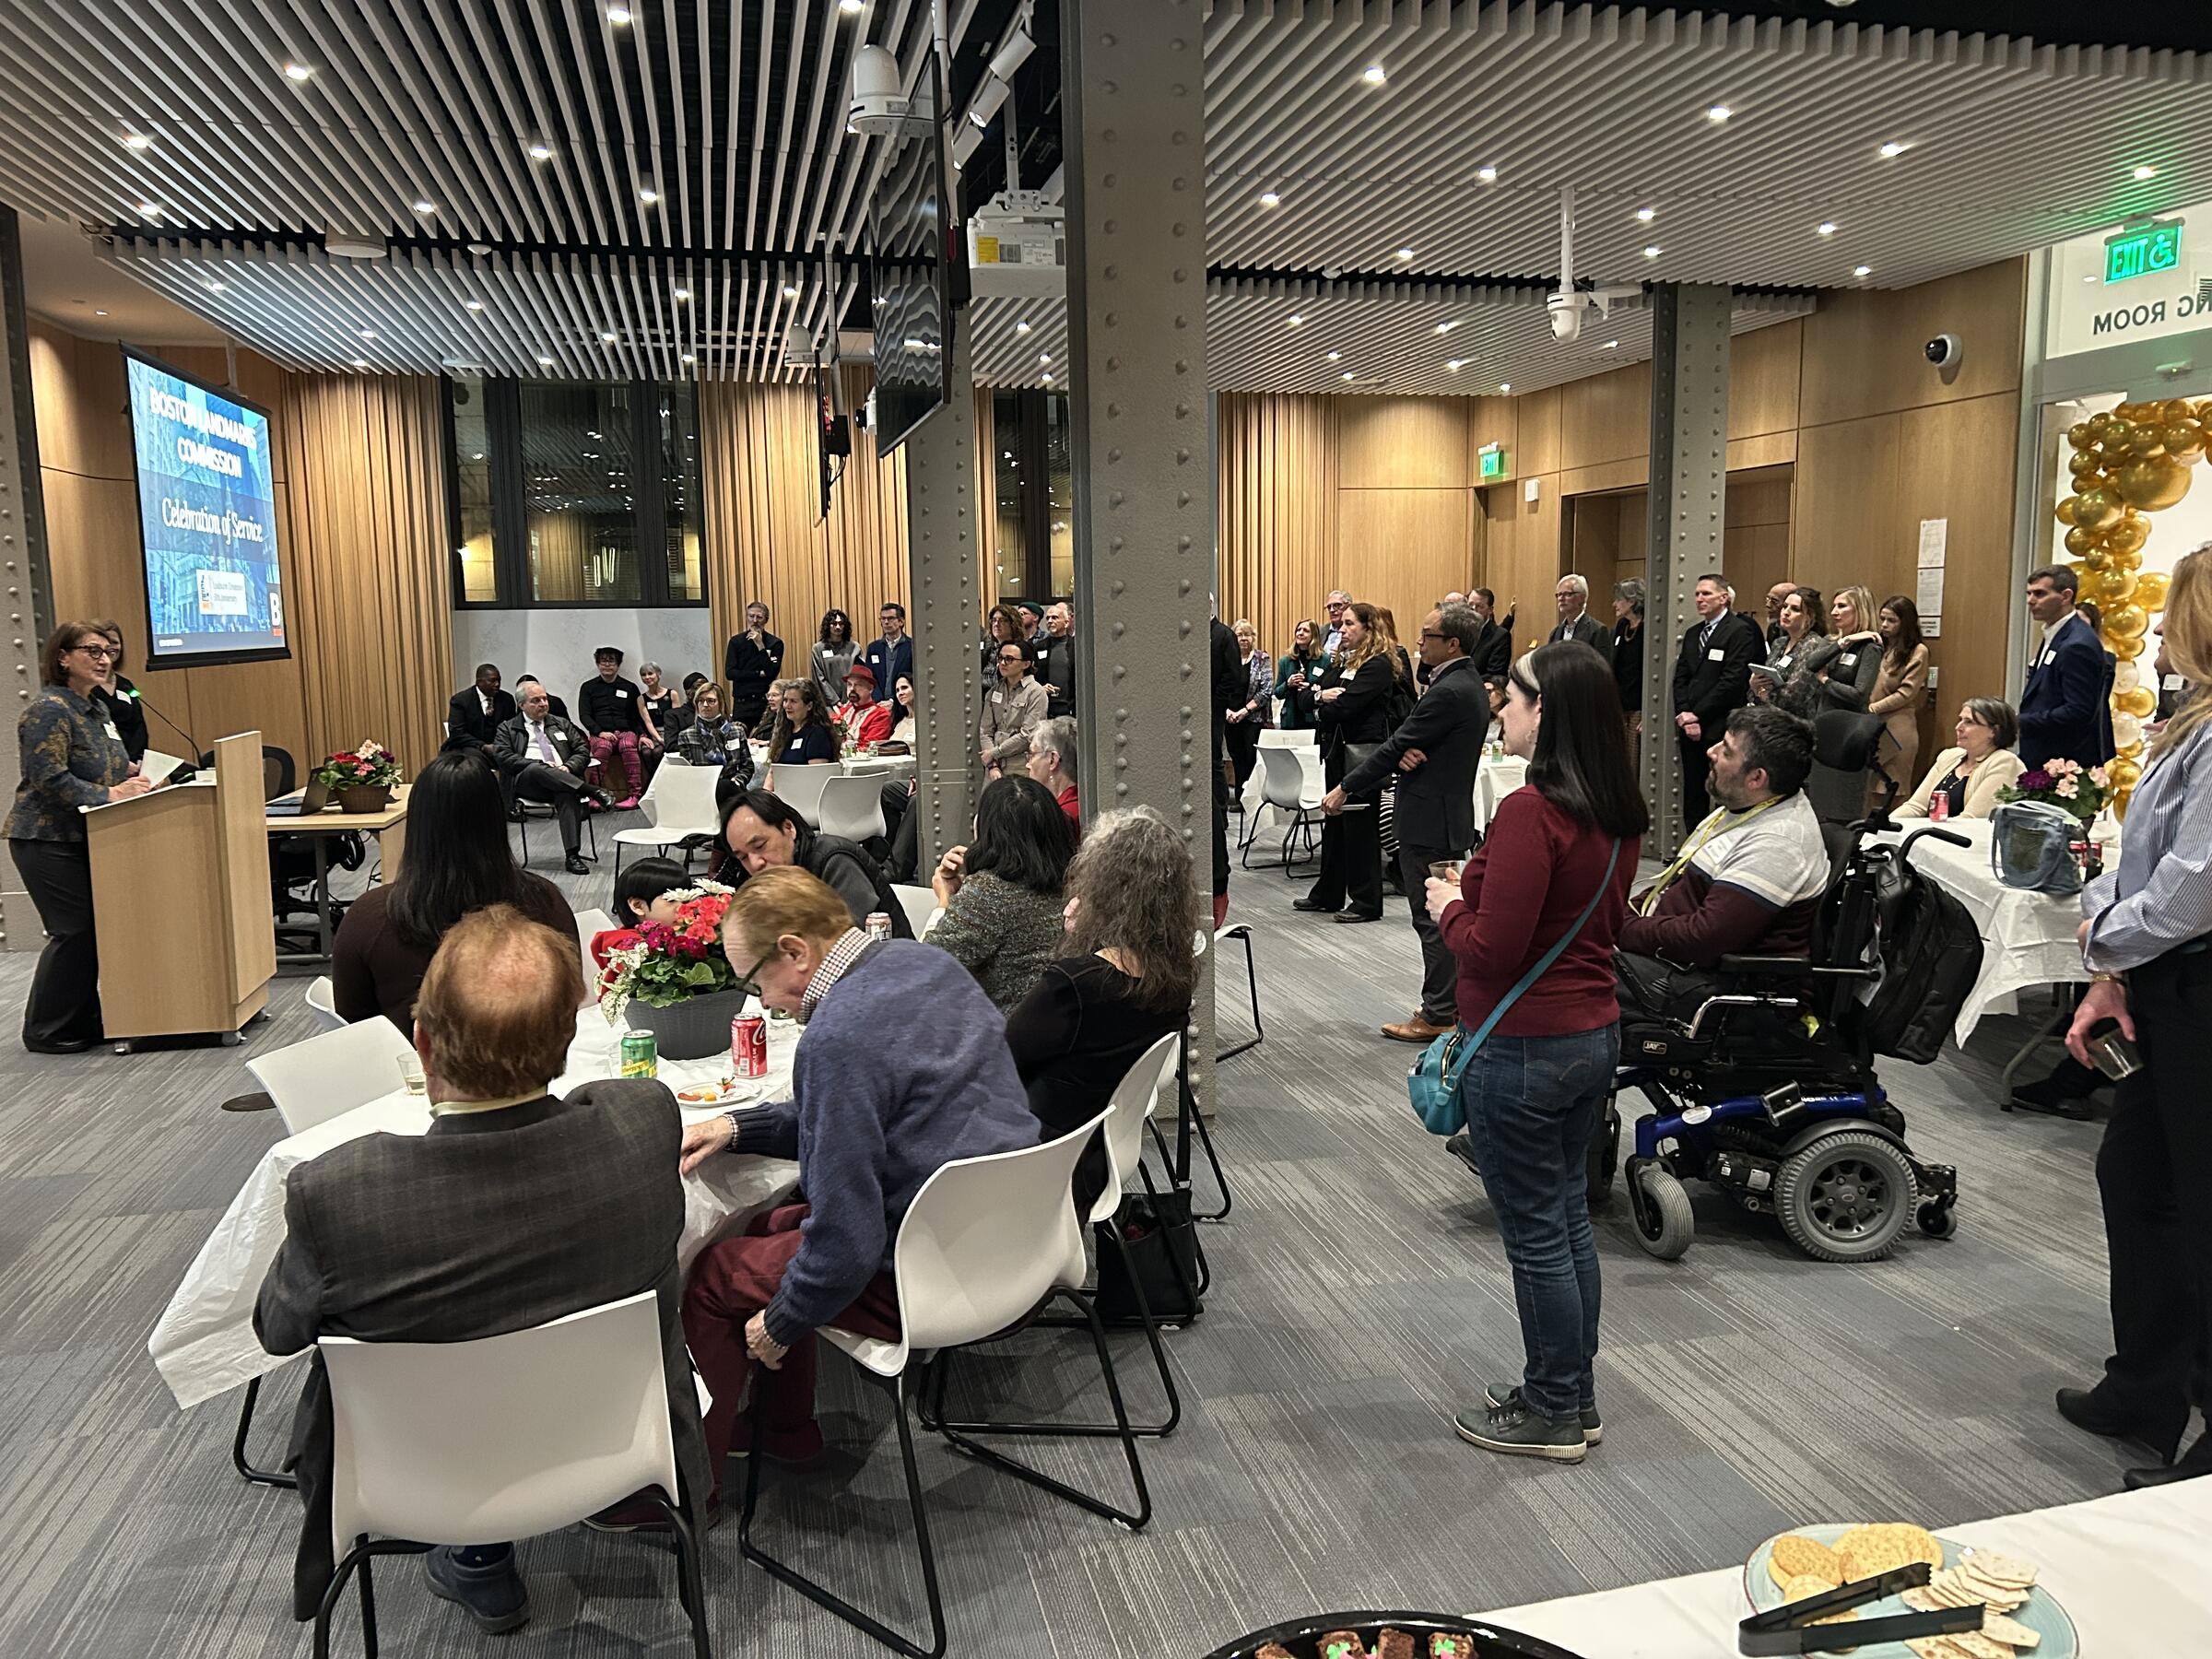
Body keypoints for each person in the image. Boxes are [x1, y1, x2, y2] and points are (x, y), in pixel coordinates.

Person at [253, 906, 703, 1630]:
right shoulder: (644, 1122)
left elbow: (276, 1334)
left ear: (423, 1042)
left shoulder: (339, 1191)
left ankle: (475, 1557)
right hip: (613, 1444)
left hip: (414, 1472)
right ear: (567, 1041)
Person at [676, 867, 1038, 1485]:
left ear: (794, 951)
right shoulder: (922, 963)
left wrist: (785, 1318)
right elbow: (866, 1117)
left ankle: (695, 1485)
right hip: (1017, 1231)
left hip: (935, 1266)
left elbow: (846, 1240)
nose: (761, 1000)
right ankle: (784, 1430)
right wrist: (741, 1128)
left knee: (713, 1275)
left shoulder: (837, 1035)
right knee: (766, 1223)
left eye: (755, 979)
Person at [1423, 642, 1646, 1463]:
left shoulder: (1530, 812)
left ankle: (1555, 1405)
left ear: (1544, 709)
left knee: (1539, 1237)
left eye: (1511, 698)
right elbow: (1607, 930)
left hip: (1525, 1050)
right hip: (1590, 1034)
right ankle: (1570, 1394)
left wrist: (1448, 906)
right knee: (1565, 1226)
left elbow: (1489, 951)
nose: (1500, 711)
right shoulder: (1616, 812)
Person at [2055, 547, 2212, 1490]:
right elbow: (2141, 852)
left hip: (2199, 984)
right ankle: (2148, 1384)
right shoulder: (2187, 724)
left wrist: (2110, 936)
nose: (2155, 632)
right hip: (2165, 981)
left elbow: (2195, 887)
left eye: (2173, 615)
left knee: (2200, 1203)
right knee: (2137, 1176)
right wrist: (2107, 945)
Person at [1005, 806, 1198, 1214]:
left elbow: (1001, 1057)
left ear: (1105, 889)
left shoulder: (1076, 985)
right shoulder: (1174, 979)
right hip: (1099, 1151)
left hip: (1038, 1156)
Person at [331, 750, 579, 1030]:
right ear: (496, 819)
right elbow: (568, 1005)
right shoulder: (545, 902)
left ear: (417, 823)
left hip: (407, 1068)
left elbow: (354, 1026)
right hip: (531, 1066)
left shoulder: (368, 918)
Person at [1330, 604, 1487, 1043]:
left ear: (1452, 644)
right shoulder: (1463, 683)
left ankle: (1439, 1013)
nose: (1419, 643)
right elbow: (1414, 744)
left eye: (1427, 636)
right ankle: (1446, 1004)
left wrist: (1346, 788)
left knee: (1432, 918)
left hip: (1429, 820)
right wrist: (1407, 755)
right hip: (1443, 813)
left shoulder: (1450, 690)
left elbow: (1402, 739)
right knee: (1440, 916)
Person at [6, 623, 153, 1052]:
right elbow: (48, 775)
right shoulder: (49, 709)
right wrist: (110, 792)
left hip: (88, 834)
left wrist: (134, 778)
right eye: (91, 650)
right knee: (73, 930)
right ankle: (46, 1030)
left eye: (108, 651)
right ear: (63, 657)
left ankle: (82, 1021)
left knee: (94, 930)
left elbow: (105, 763)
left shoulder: (95, 708)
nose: (104, 658)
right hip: (47, 838)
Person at [1618, 704, 1829, 971]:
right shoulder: (1744, 807)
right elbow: (1677, 887)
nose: (1711, 752)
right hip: (1672, 956)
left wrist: (1620, 929)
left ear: (1756, 778)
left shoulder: (1778, 843)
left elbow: (1703, 939)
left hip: (1707, 981)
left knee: (1565, 981)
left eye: (1727, 751)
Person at [924, 775, 1077, 1009]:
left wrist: (945, 900)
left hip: (1007, 1035)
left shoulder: (988, 892)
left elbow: (927, 971)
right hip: (1064, 1029)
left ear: (986, 829)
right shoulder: (1076, 883)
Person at [1296, 601, 1400, 924]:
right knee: (1335, 822)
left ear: (1369, 628)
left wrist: (1323, 702)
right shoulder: (1344, 662)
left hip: (1363, 754)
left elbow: (1346, 707)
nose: (1341, 630)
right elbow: (1307, 697)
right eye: (1341, 625)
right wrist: (1320, 697)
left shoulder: (1379, 665)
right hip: (1338, 752)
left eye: (1350, 624)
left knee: (1360, 827)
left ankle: (1366, 901)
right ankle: (1328, 893)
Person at [718, 788, 912, 935]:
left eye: (760, 846)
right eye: (742, 857)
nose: (755, 864)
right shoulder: (769, 881)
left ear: (788, 828)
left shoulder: (834, 859)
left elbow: (849, 943)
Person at [1671, 573, 1766, 828]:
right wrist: (1684, 714)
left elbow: (1732, 681)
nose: (1699, 599)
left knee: (1725, 788)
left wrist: (1698, 714)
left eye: (1706, 594)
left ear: (1724, 598)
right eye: (1697, 594)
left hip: (1719, 724)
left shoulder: (1739, 631)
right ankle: (1691, 848)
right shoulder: (1693, 633)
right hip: (1690, 727)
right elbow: (1681, 678)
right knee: (1693, 788)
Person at [495, 683, 609, 876]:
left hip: (563, 779)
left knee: (567, 793)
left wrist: (568, 767)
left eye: (545, 699)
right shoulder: (508, 728)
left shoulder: (561, 723)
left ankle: (572, 856)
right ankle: (591, 790)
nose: (543, 704)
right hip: (528, 783)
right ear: (521, 705)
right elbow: (503, 757)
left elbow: (582, 750)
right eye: (536, 700)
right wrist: (542, 765)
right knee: (535, 768)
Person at [2020, 564, 2117, 770]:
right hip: (2044, 756)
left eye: (2040, 594)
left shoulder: (2077, 643)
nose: (2030, 601)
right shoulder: (2055, 633)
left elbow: (2078, 711)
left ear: (2065, 596)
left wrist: (2022, 721)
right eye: (2029, 593)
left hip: (2064, 761)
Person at [1893, 699, 2027, 819]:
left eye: (1969, 722)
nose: (1958, 728)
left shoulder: (2004, 762)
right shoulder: (1949, 756)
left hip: (1966, 841)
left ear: (1994, 731)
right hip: (1930, 834)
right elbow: (1916, 806)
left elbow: (1971, 819)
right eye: (1960, 720)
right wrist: (1883, 827)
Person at [1866, 594, 1931, 810]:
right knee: (1871, 791)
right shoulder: (1878, 646)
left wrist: (1874, 708)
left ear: (1906, 623)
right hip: (1871, 724)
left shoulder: (1917, 651)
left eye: (1892, 620)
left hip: (1897, 726)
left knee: (1893, 790)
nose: (1885, 625)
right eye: (1882, 619)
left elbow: (1906, 693)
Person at [577, 646, 657, 809]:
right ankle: (595, 795)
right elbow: (584, 715)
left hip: (626, 732)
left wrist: (642, 735)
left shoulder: (630, 687)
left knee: (628, 746)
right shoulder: (588, 687)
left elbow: (637, 715)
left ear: (618, 664)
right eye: (603, 661)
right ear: (598, 663)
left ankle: (635, 795)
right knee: (603, 747)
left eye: (611, 661)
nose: (607, 664)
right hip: (600, 733)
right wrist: (600, 732)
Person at [589, 855, 689, 971]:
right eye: (671, 900)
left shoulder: (678, 933)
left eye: (686, 899)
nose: (683, 908)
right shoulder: (626, 948)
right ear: (638, 906)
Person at [1211, 603, 1245, 928]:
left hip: (1211, 711)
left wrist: (1213, 703)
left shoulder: (1222, 635)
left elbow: (1233, 677)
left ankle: (1220, 809)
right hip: (1201, 710)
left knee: (1213, 766)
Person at [980, 636, 1048, 780]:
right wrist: (992, 765)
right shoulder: (994, 690)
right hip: (994, 767)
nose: (1002, 663)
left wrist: (995, 753)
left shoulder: (1035, 692)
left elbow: (1027, 735)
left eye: (1009, 659)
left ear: (1026, 664)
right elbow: (985, 730)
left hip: (1021, 766)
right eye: (1000, 658)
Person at [87, 619, 150, 764]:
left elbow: (139, 726)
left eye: (114, 642)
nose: (110, 647)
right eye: (104, 643)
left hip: (133, 763)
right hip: (103, 764)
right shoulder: (87, 686)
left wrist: (140, 759)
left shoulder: (125, 685)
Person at [1750, 585, 1826, 701]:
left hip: (1794, 716)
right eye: (1785, 606)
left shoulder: (1814, 645)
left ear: (1810, 616)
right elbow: (1753, 693)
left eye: (1795, 609)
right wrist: (1754, 685)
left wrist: (1762, 695)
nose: (1786, 612)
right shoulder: (1779, 643)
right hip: (1767, 711)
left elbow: (1795, 696)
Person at [1225, 618, 1274, 794]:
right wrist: (1228, 711)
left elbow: (1267, 689)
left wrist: (1245, 711)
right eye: (1239, 635)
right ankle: (1239, 796)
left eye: (1247, 635)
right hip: (1230, 717)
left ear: (1253, 638)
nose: (1244, 638)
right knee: (1236, 757)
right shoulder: (1228, 659)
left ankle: (1252, 798)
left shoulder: (1262, 658)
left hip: (1253, 718)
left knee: (1251, 758)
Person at [672, 680, 753, 781]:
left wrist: (737, 783)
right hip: (703, 787)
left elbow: (747, 766)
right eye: (700, 701)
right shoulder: (687, 735)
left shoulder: (737, 731)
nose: (705, 705)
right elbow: (688, 772)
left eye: (711, 701)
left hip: (732, 787)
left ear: (721, 703)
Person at [724, 601, 784, 732]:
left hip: (764, 702)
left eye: (759, 617)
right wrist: (758, 674)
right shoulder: (736, 642)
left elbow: (771, 672)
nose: (755, 621)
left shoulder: (775, 643)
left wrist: (760, 646)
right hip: (742, 702)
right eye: (751, 616)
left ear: (766, 620)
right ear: (747, 618)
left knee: (764, 738)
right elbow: (730, 673)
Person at [763, 677, 838, 776]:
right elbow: (772, 773)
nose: (787, 706)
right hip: (781, 787)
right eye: (785, 700)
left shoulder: (817, 735)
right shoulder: (784, 731)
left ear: (809, 706)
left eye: (793, 701)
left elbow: (817, 777)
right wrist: (767, 791)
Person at [443, 663, 514, 758]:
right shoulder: (461, 700)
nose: (497, 684)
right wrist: (483, 746)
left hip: (499, 747)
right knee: (474, 757)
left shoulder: (507, 699)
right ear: (479, 682)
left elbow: (512, 728)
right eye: (492, 681)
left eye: (498, 680)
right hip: (469, 746)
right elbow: (457, 733)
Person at [1610, 582, 1644, 764]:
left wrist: (1650, 713)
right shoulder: (1621, 625)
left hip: (1639, 708)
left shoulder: (1649, 628)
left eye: (1619, 599)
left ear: (1632, 601)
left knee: (1633, 762)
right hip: (1619, 706)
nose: (1614, 604)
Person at [1025, 714, 1081, 822]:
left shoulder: (1062, 817)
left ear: (1052, 760)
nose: (1028, 764)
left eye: (1032, 754)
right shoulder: (1080, 804)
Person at [1273, 619, 1324, 730]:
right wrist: (1288, 684)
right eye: (1298, 630)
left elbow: (1329, 687)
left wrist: (1312, 688)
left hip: (1314, 719)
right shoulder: (1285, 661)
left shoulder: (1324, 659)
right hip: (1291, 719)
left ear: (1314, 636)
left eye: (1305, 630)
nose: (1300, 633)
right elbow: (1277, 693)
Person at [834, 662, 895, 748]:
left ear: (870, 689)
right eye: (849, 684)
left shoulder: (880, 715)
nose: (852, 689)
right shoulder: (844, 711)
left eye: (858, 685)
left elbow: (870, 748)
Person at [806, 608, 857, 710]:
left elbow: (859, 675)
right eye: (834, 623)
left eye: (841, 623)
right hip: (827, 703)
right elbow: (819, 678)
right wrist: (834, 700)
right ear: (827, 626)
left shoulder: (854, 647)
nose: (838, 627)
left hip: (851, 700)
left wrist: (850, 697)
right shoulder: (818, 649)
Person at [1036, 601, 1078, 721]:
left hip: (1070, 707)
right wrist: (1040, 688)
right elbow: (1031, 675)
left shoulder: (1076, 647)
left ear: (1066, 623)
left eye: (1054, 618)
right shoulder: (1040, 647)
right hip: (1046, 707)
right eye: (1048, 618)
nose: (1050, 621)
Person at [863, 602, 914, 694]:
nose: (886, 622)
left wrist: (892, 702)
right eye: (883, 619)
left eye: (890, 618)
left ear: (901, 621)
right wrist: (879, 701)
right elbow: (870, 678)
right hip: (879, 703)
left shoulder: (912, 647)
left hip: (902, 702)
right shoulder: (873, 648)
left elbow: (913, 677)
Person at [1547, 574, 1608, 651]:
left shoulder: (1597, 630)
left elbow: (1602, 662)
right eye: (1559, 594)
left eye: (1567, 594)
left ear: (1582, 597)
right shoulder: (1555, 633)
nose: (1561, 598)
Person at [1470, 589, 1514, 677]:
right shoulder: (1459, 631)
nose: (1473, 610)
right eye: (1470, 605)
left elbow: (1495, 674)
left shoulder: (1500, 636)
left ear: (1490, 610)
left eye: (1479, 606)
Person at [981, 602, 1028, 680]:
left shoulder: (1022, 649)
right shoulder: (988, 648)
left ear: (1013, 624)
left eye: (1002, 620)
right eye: (994, 620)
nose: (996, 624)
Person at [637, 661, 679, 739]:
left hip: (671, 732)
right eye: (643, 675)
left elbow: (676, 719)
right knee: (647, 751)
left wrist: (670, 737)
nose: (647, 677)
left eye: (650, 673)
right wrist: (659, 739)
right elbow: (648, 722)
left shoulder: (672, 694)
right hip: (652, 733)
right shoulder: (641, 699)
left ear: (658, 674)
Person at [1763, 580, 1797, 650]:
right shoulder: (1773, 627)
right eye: (1768, 599)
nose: (1768, 605)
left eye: (1774, 601)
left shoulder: (1803, 633)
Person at [1321, 589, 1353, 655]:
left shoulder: (1354, 631)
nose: (1332, 610)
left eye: (1337, 605)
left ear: (1348, 606)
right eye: (1329, 607)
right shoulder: (1320, 631)